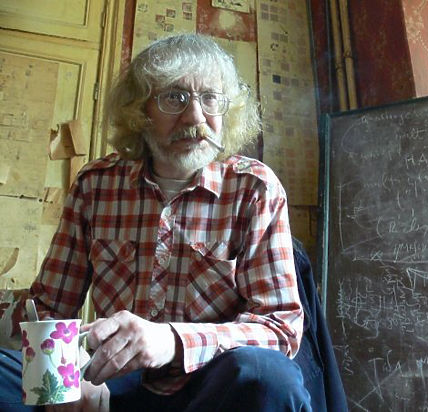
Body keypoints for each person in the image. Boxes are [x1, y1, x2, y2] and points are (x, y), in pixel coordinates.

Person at [0, 33, 311, 411]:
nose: (195, 117)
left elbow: (280, 328)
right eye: (174, 97)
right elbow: (49, 306)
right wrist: (62, 378)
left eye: (210, 98)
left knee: (269, 376)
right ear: (140, 110)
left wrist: (171, 341)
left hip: (209, 386)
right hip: (109, 382)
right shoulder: (96, 184)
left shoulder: (255, 188)